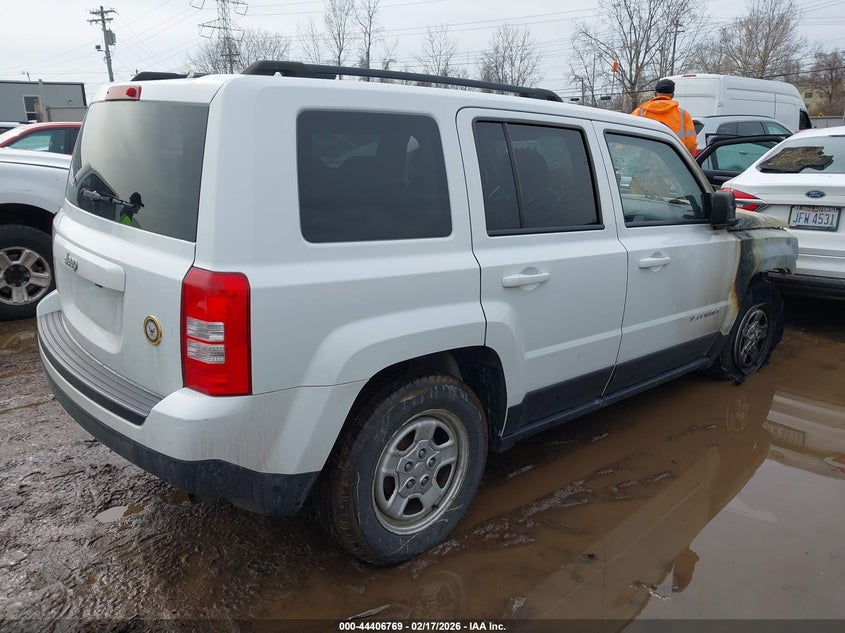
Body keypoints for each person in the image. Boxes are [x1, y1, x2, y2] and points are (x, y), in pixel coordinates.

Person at [631, 78, 697, 155]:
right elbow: (691, 144)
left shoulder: (639, 113)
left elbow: (628, 140)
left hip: (645, 159)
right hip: (672, 159)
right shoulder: (683, 114)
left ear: (655, 93)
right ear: (672, 95)